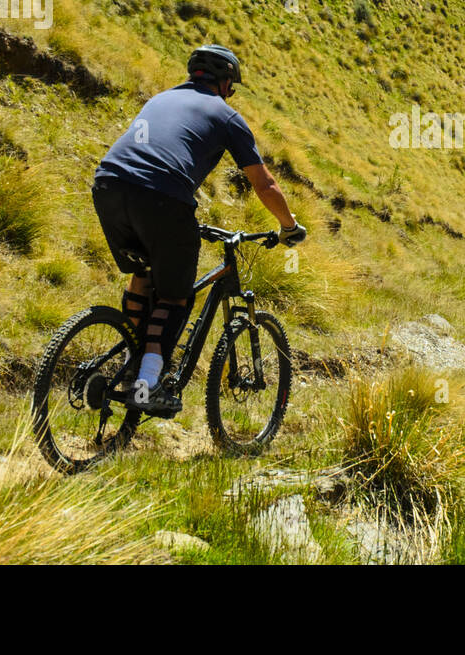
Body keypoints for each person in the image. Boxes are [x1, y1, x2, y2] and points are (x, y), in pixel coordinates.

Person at [90, 45, 306, 415]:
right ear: (224, 84)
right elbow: (264, 184)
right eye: (231, 87)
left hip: (108, 186)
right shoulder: (226, 116)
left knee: (143, 275)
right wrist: (290, 227)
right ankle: (146, 384)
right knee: (175, 297)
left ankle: (132, 363)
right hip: (162, 197)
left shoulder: (160, 98)